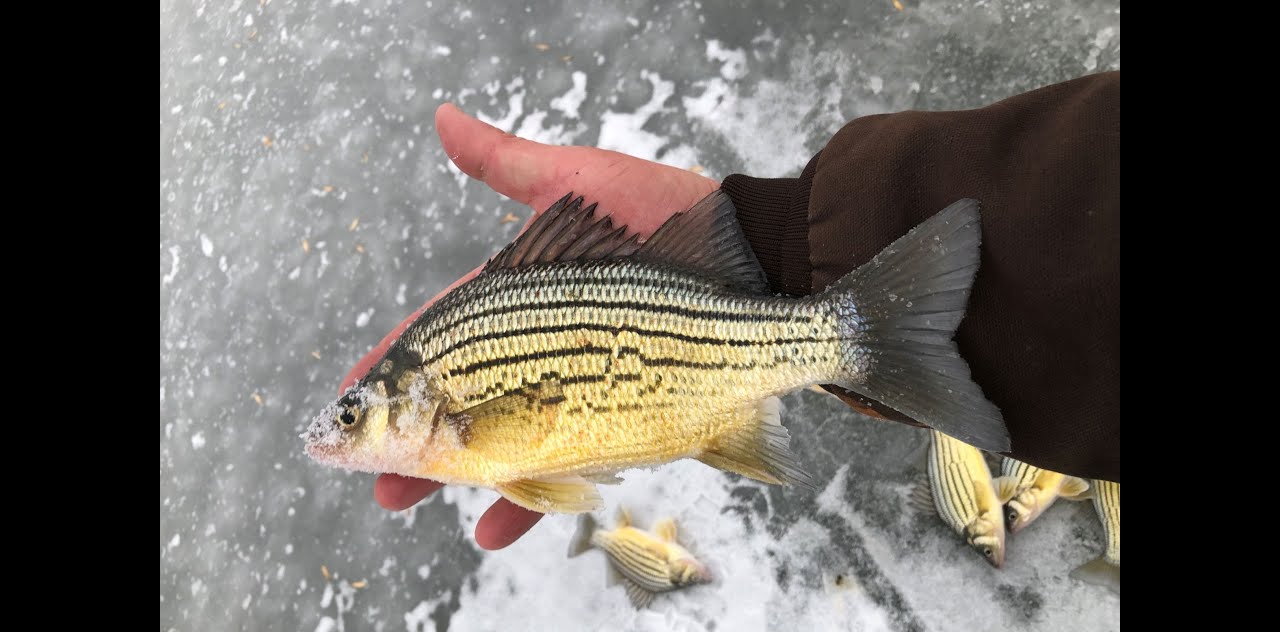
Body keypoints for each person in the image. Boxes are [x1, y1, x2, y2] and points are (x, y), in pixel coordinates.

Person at [337, 71, 1120, 550]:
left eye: (352, 418)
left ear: (411, 399)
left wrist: (767, 245)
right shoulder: (452, 417)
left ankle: (851, 333)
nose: (343, 434)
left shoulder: (453, 419)